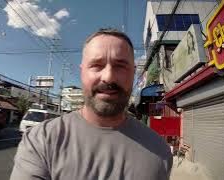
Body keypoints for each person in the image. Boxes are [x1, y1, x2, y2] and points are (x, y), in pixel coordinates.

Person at [10, 28, 173, 180]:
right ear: (82, 72)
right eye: (97, 65)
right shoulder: (40, 141)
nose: (108, 77)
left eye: (120, 66)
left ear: (134, 72)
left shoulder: (160, 150)